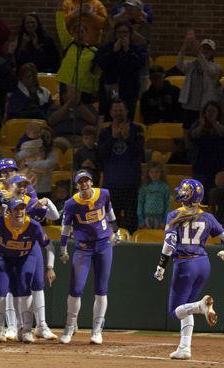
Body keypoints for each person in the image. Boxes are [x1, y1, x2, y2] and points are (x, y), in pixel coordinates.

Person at [153, 179, 224, 360]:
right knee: (186, 306)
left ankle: (201, 306)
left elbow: (168, 245)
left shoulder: (174, 215)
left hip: (185, 265)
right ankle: (185, 348)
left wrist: (161, 266)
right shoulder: (208, 217)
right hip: (203, 264)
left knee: (175, 311)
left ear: (187, 194)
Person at [59, 170, 121, 345]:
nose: (84, 185)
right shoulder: (72, 204)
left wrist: (115, 231)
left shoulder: (104, 194)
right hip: (83, 248)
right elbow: (65, 227)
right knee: (76, 288)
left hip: (103, 245)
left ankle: (97, 330)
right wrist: (63, 249)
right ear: (77, 185)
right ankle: (70, 327)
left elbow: (109, 211)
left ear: (91, 182)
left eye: (87, 181)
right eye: (81, 182)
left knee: (101, 289)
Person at [0, 199, 56, 343]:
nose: (19, 212)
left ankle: (26, 330)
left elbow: (49, 246)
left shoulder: (33, 226)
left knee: (24, 286)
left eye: (22, 209)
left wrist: (50, 267)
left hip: (24, 258)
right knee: (1, 289)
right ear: (8, 212)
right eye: (15, 209)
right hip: (3, 258)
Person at [97, 99, 145, 232]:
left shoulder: (137, 129)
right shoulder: (105, 133)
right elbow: (100, 155)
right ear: (111, 113)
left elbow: (140, 153)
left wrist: (128, 138)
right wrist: (113, 138)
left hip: (131, 185)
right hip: (111, 185)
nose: (118, 113)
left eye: (121, 110)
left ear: (127, 111)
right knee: (111, 224)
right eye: (115, 111)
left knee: (131, 224)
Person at [96, 21, 148, 119]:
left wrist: (127, 50)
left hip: (129, 88)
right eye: (119, 32)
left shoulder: (137, 48)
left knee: (127, 115)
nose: (122, 35)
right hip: (111, 87)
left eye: (125, 32)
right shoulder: (108, 47)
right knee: (108, 115)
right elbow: (101, 63)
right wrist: (113, 52)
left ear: (130, 34)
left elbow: (139, 64)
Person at [188, 101, 224, 204]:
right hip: (201, 165)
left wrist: (215, 123)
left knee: (218, 196)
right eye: (208, 111)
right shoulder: (198, 123)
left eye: (213, 111)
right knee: (201, 197)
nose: (210, 113)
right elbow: (193, 136)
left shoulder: (223, 123)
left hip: (220, 165)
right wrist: (202, 125)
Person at [177, 33, 223, 129]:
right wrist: (183, 48)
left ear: (213, 52)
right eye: (204, 48)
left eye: (208, 49)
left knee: (203, 130)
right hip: (190, 104)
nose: (206, 51)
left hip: (205, 106)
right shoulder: (191, 64)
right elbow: (179, 66)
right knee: (188, 129)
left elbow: (209, 71)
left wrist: (199, 54)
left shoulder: (216, 67)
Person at [55, 12, 101, 100]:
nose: (80, 34)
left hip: (84, 88)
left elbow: (97, 72)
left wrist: (95, 89)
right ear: (72, 34)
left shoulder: (94, 51)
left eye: (82, 32)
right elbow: (61, 28)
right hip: (65, 84)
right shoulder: (68, 43)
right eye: (76, 32)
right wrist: (59, 12)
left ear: (87, 34)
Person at [137, 161, 171, 229]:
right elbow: (140, 203)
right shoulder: (144, 187)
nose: (154, 174)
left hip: (160, 219)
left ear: (161, 173)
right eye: (151, 172)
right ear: (148, 173)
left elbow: (167, 205)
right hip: (146, 218)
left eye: (157, 172)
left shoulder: (165, 187)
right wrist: (141, 220)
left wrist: (165, 221)